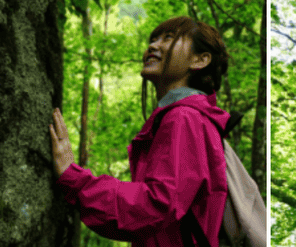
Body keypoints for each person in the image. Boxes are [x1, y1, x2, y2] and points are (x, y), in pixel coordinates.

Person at [49, 17, 231, 246]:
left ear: (200, 60)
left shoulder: (184, 117)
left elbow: (157, 205)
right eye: (153, 40)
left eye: (169, 38)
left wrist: (75, 180)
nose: (152, 46)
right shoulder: (192, 117)